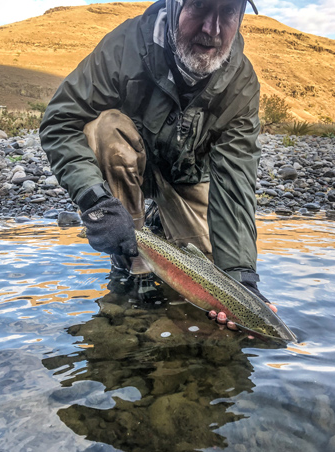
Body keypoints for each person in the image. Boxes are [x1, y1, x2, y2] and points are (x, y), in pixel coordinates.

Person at [40, 0, 278, 328]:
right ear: (174, 4)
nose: (213, 28)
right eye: (201, 7)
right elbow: (60, 121)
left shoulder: (242, 82)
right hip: (127, 160)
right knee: (106, 127)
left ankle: (156, 222)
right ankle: (129, 261)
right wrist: (95, 201)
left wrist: (242, 281)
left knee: (209, 285)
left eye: (228, 11)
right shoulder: (124, 46)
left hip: (188, 177)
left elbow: (235, 180)